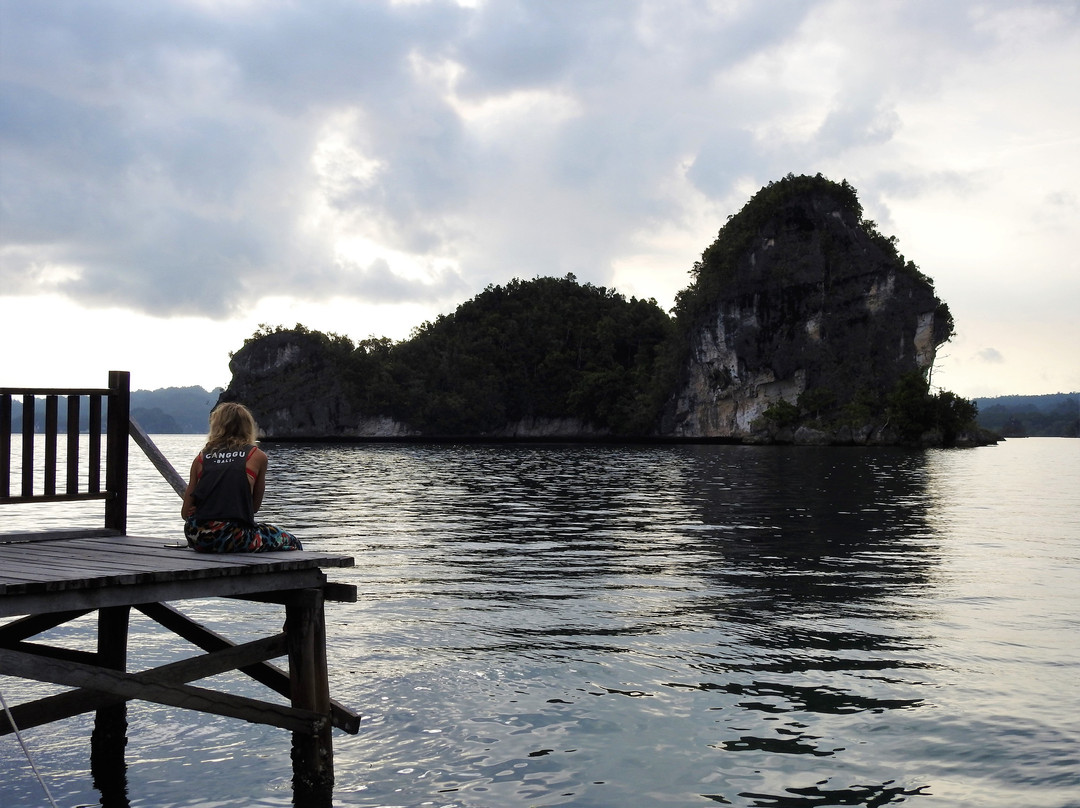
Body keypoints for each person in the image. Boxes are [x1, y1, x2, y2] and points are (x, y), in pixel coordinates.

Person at [181, 402, 302, 553]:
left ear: (216, 426)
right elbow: (254, 507)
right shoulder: (256, 456)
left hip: (196, 537)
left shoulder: (201, 458)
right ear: (247, 427)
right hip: (233, 536)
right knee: (291, 541)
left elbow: (185, 513)